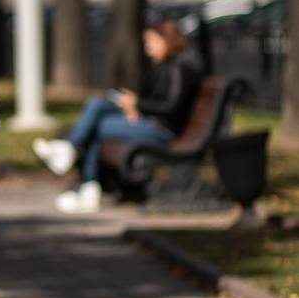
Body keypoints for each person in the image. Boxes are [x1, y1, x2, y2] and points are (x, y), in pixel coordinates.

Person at [32, 18, 205, 214]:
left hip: (163, 129)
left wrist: (138, 105)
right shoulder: (167, 65)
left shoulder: (180, 68)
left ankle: (75, 158)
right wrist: (135, 106)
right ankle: (79, 169)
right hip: (150, 121)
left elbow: (171, 106)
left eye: (152, 42)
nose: (148, 49)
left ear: (167, 40)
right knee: (98, 104)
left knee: (96, 125)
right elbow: (157, 99)